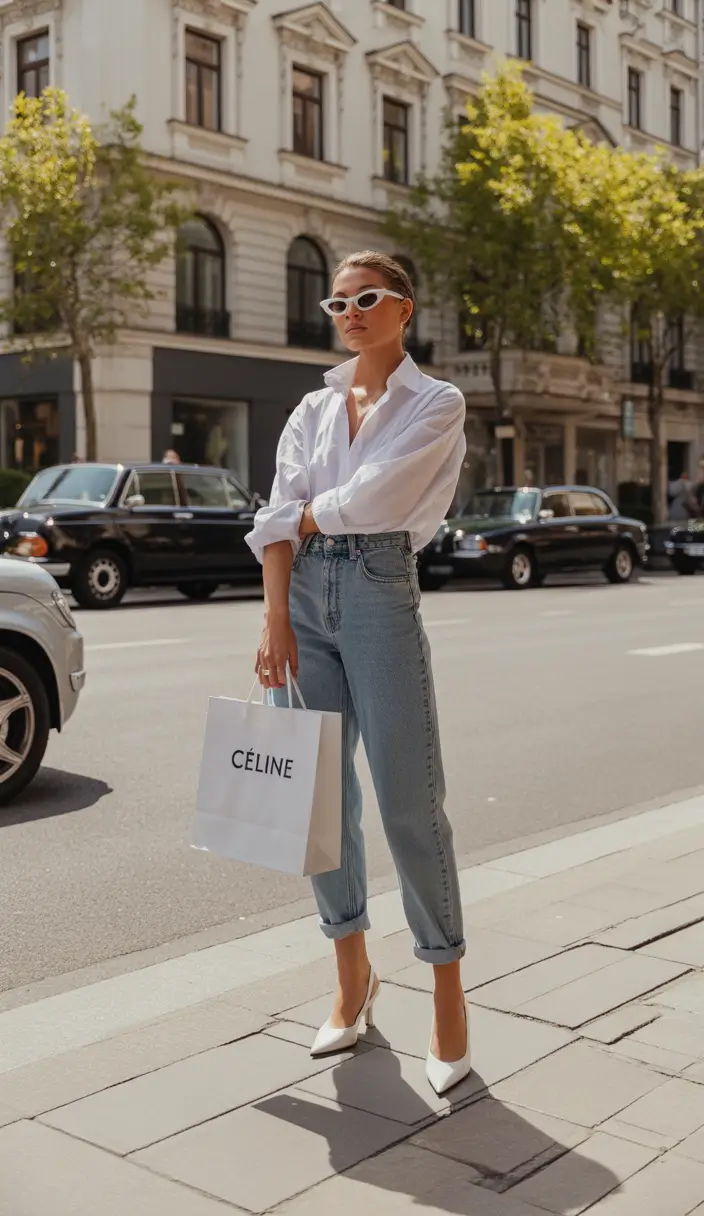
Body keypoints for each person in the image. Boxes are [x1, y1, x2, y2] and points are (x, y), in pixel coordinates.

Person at [246, 251, 470, 1095]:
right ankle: (352, 978)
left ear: (404, 307)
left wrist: (302, 515)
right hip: (299, 600)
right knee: (319, 800)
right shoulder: (311, 408)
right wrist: (273, 617)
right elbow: (274, 519)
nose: (349, 312)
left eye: (366, 298)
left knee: (410, 799)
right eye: (336, 302)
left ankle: (448, 995)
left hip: (379, 589)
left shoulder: (436, 402)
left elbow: (379, 501)